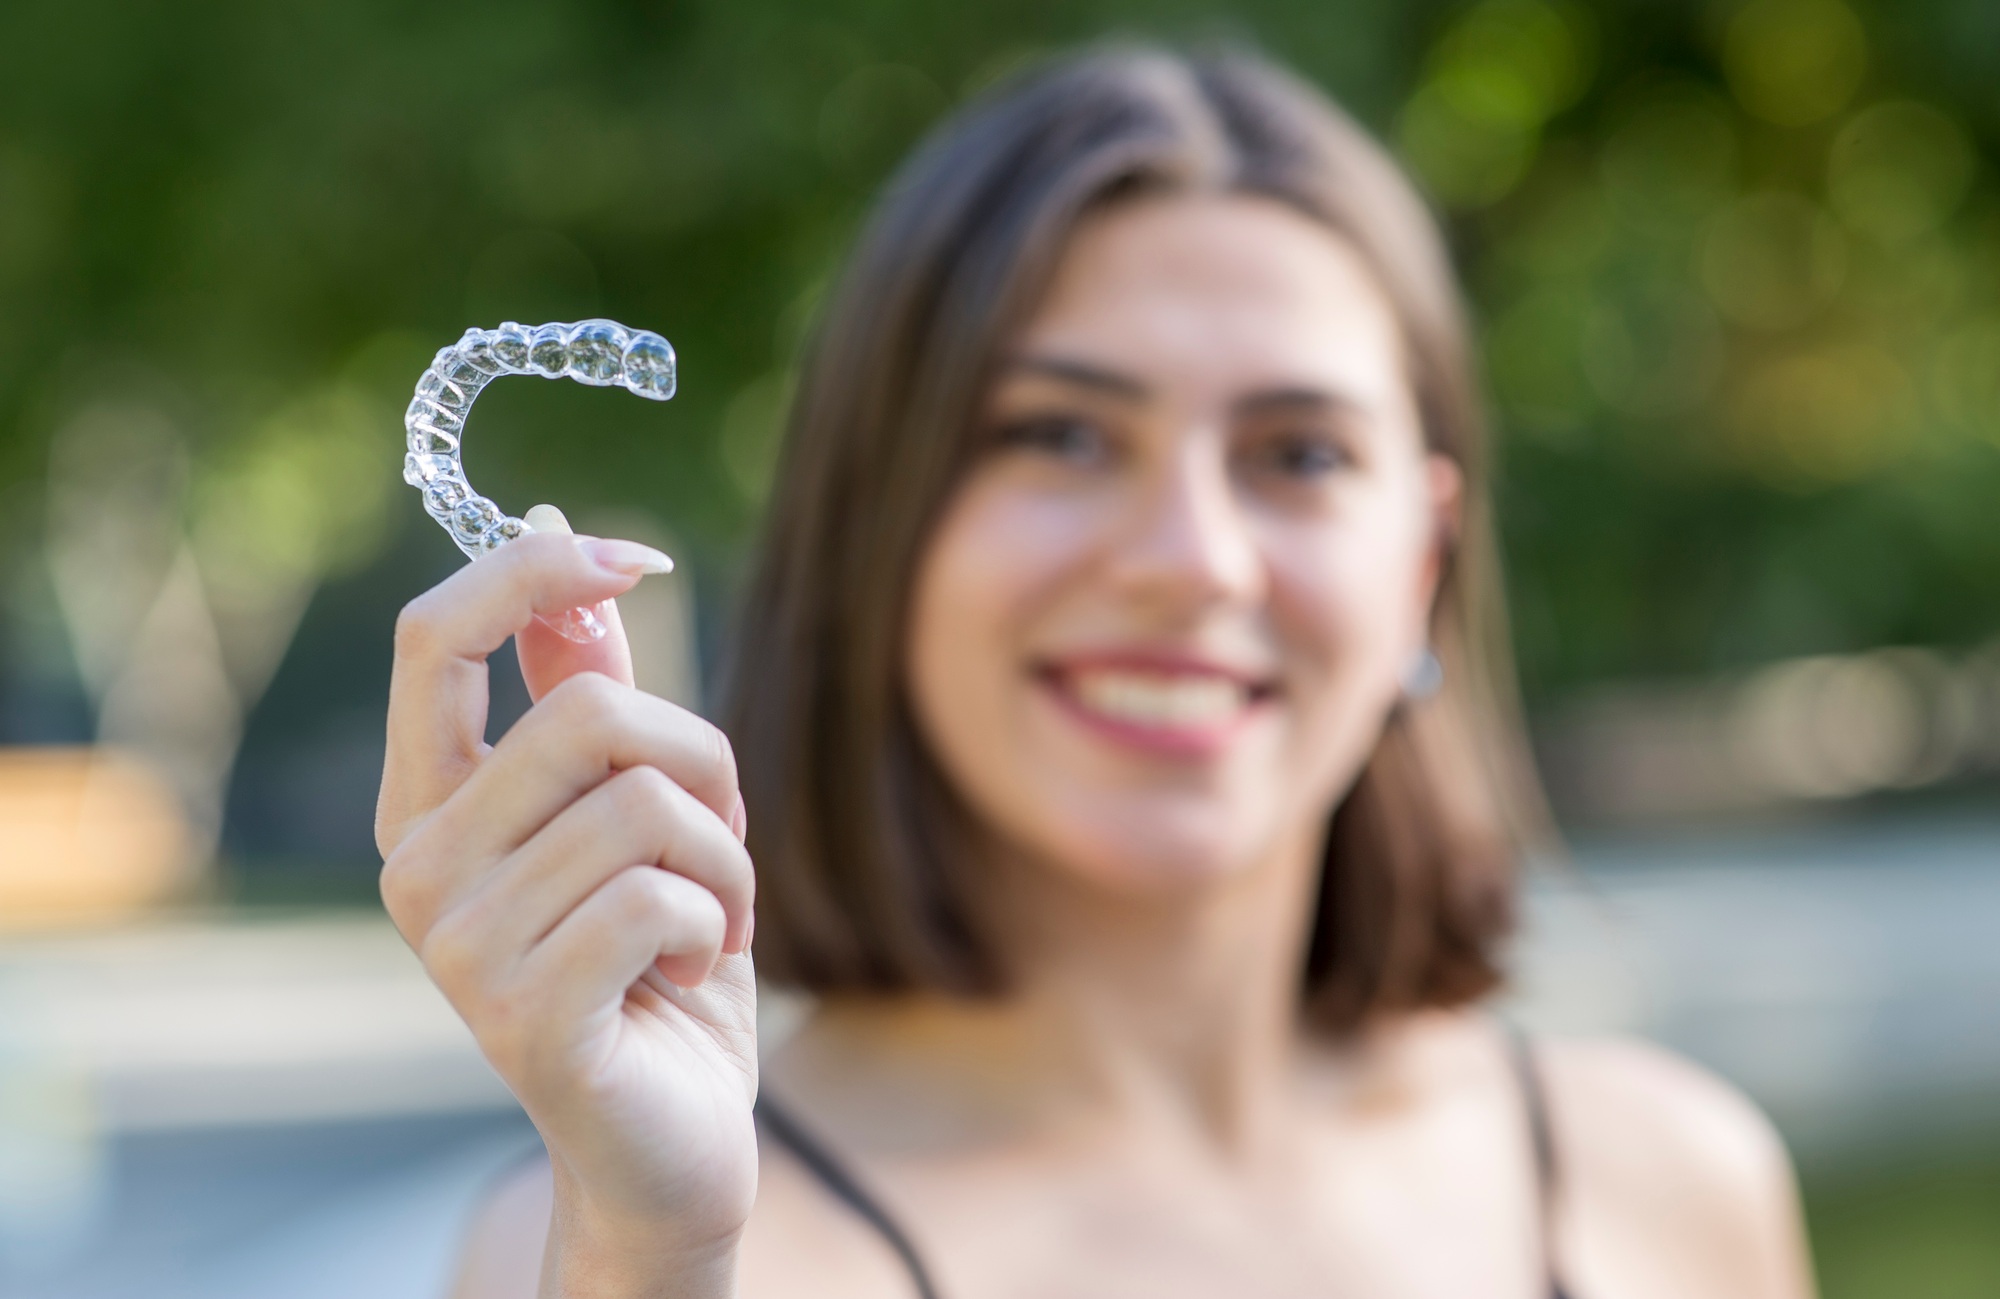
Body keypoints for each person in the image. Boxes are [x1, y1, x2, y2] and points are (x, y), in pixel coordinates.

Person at [376, 45, 1817, 1299]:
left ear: (1422, 563)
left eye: (1299, 455)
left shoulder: (1672, 1193)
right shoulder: (619, 1246)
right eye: (1060, 437)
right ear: (881, 525)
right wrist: (655, 1264)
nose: (1190, 559)